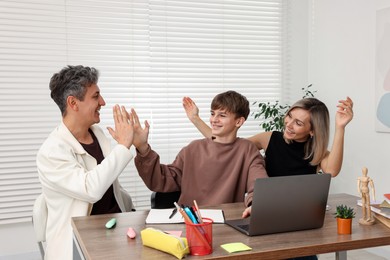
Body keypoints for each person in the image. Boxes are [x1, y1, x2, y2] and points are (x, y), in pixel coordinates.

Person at [37, 65, 136, 260]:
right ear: (73, 103)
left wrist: (139, 144)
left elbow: (112, 188)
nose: (103, 102)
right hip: (79, 244)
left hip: (115, 230)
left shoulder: (98, 134)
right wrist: (123, 146)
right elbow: (91, 189)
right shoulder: (51, 152)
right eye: (95, 96)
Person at [132, 90, 268, 208]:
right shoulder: (193, 148)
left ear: (239, 121)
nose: (214, 119)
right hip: (190, 221)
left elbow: (259, 186)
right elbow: (162, 179)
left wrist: (257, 205)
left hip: (227, 222)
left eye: (222, 115)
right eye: (212, 113)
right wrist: (143, 148)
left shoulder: (248, 150)